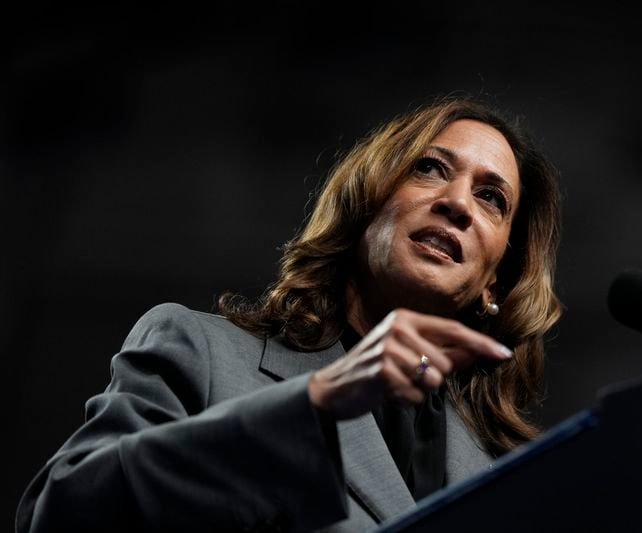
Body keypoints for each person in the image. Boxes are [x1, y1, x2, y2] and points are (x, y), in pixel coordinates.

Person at [16, 96, 562, 533]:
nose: (459, 203)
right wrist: (313, 406)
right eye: (430, 168)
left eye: (492, 198)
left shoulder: (509, 471)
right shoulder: (201, 351)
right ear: (366, 203)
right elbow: (62, 512)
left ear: (494, 281)